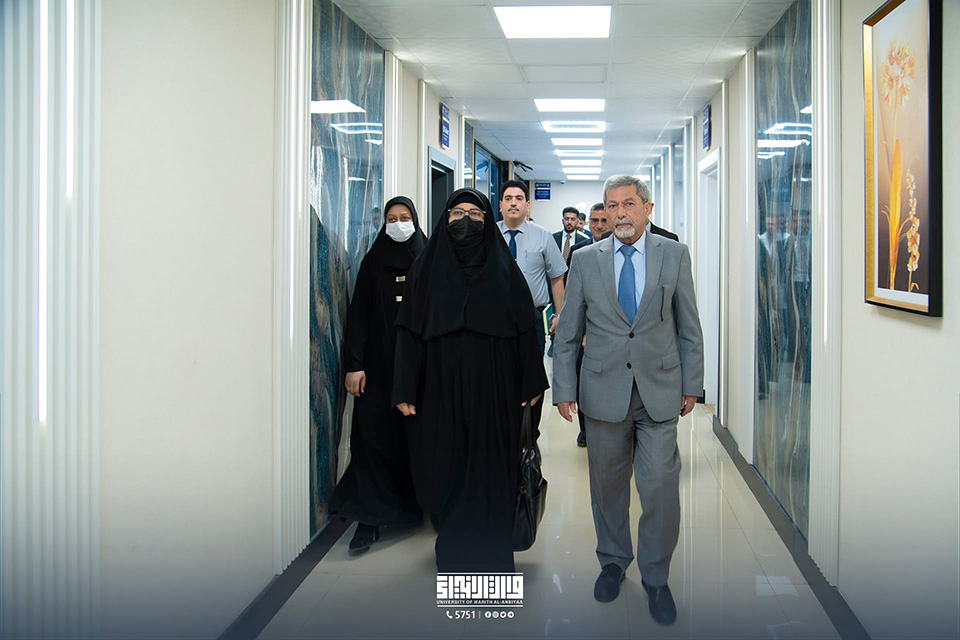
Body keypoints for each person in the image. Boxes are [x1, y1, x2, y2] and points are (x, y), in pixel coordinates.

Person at [553, 175, 704, 626]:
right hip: (603, 393)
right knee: (608, 488)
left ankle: (656, 577)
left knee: (659, 487)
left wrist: (692, 384)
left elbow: (689, 326)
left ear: (647, 208)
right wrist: (564, 389)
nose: (620, 213)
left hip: (660, 390)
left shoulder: (673, 254)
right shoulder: (585, 259)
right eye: (612, 205)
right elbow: (568, 332)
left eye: (629, 204)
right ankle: (614, 562)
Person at [392, 188, 548, 573]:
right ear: (445, 220)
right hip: (438, 388)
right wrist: (404, 387)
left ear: (487, 221)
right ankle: (454, 556)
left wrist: (531, 382)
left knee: (493, 469)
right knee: (447, 466)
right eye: (457, 213)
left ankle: (493, 559)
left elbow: (526, 328)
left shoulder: (504, 270)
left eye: (475, 215)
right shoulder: (425, 271)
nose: (466, 221)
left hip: (496, 388)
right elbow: (408, 331)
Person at [331, 196, 427, 553]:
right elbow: (359, 316)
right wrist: (354, 364)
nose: (399, 224)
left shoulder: (430, 261)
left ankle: (417, 507)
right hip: (377, 370)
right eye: (391, 218)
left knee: (414, 440)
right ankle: (369, 518)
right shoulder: (373, 263)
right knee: (373, 440)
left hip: (419, 371)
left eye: (405, 217)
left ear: (415, 220)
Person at [496, 180, 566, 435]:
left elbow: (557, 278)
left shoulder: (543, 236)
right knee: (500, 376)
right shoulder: (489, 235)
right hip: (496, 320)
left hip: (532, 319)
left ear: (528, 205)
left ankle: (529, 435)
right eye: (508, 198)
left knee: (532, 379)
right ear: (500, 205)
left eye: (518, 198)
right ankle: (503, 431)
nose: (513, 203)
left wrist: (559, 315)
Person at [563, 202, 611, 448]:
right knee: (584, 381)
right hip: (585, 333)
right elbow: (573, 298)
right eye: (594, 220)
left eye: (604, 220)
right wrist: (581, 332)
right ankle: (585, 429)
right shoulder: (578, 251)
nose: (599, 225)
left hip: (612, 333)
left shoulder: (619, 251)